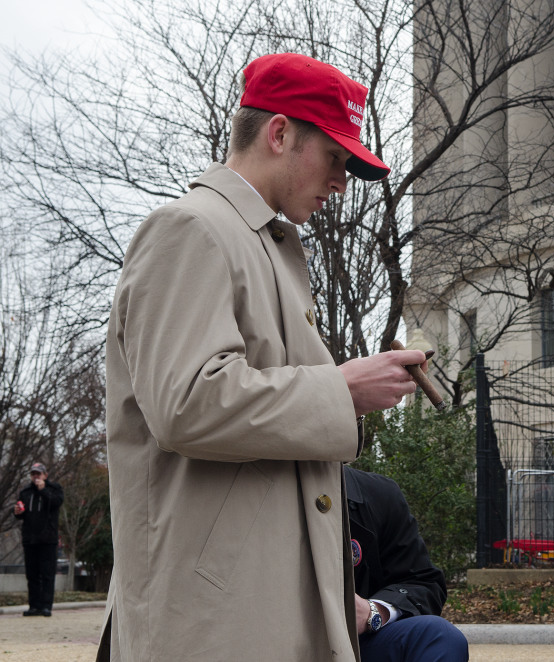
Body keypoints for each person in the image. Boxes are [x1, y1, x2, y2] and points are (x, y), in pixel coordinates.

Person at [100, 52, 429, 661]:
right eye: (335, 158)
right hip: (212, 621)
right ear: (279, 133)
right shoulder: (191, 228)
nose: (341, 181)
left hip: (254, 606)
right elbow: (185, 403)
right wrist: (342, 390)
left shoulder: (258, 244)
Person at [344, 465, 468, 662]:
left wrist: (374, 611)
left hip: (351, 645)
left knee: (438, 636)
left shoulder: (377, 494)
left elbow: (423, 582)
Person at [13, 462, 64, 617]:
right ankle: (34, 606)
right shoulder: (26, 492)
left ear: (45, 475)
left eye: (39, 474)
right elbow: (21, 513)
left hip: (48, 539)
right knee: (32, 574)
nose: (36, 477)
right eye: (33, 474)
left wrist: (43, 491)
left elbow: (56, 503)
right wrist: (17, 512)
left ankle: (46, 606)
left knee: (47, 574)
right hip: (30, 539)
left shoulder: (54, 489)